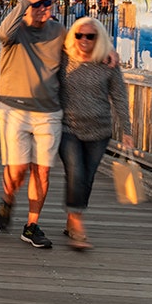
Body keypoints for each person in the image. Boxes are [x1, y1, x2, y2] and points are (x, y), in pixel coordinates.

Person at [0, 0, 113, 248]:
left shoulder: (59, 31)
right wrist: (25, 3)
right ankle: (8, 197)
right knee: (17, 172)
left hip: (48, 111)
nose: (42, 8)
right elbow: (3, 33)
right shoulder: (16, 30)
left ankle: (31, 225)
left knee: (42, 172)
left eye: (47, 3)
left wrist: (109, 52)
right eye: (37, 4)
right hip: (14, 108)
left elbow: (84, 41)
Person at [59, 17, 133, 250]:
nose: (83, 40)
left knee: (87, 177)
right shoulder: (63, 58)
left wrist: (127, 131)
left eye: (90, 36)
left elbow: (119, 97)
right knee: (76, 172)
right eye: (79, 35)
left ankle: (72, 217)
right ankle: (78, 224)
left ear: (98, 38)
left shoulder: (108, 63)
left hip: (99, 130)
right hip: (67, 127)